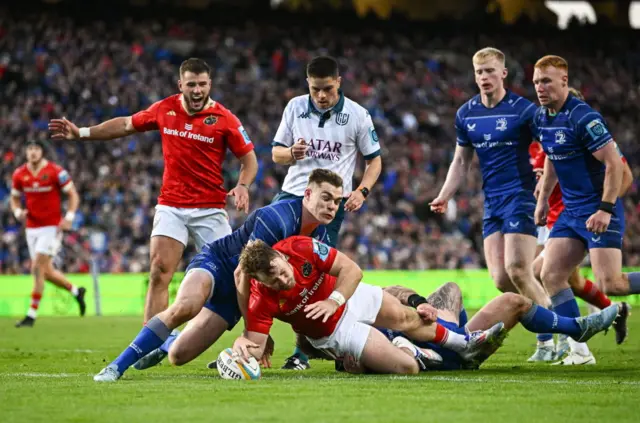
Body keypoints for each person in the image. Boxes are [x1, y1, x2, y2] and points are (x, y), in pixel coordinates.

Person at [48, 57, 258, 323]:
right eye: (191, 84)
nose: (197, 90)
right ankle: (150, 343)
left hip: (210, 210)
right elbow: (126, 124)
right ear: (180, 84)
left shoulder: (225, 119)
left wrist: (242, 185)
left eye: (202, 84)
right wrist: (83, 133)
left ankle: (248, 343)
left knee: (234, 277)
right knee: (159, 271)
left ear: (210, 85)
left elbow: (249, 159)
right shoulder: (165, 109)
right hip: (171, 205)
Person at [93, 169, 342, 382]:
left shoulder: (319, 235)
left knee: (178, 356)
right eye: (326, 198)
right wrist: (251, 329)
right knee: (186, 307)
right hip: (221, 263)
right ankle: (116, 366)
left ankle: (168, 341)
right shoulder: (277, 218)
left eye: (337, 202)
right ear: (308, 194)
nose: (331, 206)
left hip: (240, 292)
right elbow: (242, 271)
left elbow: (279, 283)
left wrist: (259, 332)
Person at [429, 47, 554, 361]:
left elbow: (551, 148)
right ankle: (553, 315)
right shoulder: (466, 114)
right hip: (492, 202)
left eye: (489, 71)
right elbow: (461, 161)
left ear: (503, 73)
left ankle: (551, 341)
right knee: (500, 278)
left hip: (521, 196)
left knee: (518, 270)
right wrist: (445, 195)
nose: (484, 77)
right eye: (479, 72)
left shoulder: (524, 110)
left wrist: (544, 184)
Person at [230, 236, 506, 375]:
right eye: (273, 279)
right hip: (335, 332)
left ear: (279, 254)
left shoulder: (300, 247)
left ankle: (463, 345)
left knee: (408, 318)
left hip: (347, 296)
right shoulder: (259, 300)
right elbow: (254, 346)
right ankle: (405, 350)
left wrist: (333, 299)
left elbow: (352, 271)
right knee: (405, 368)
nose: (283, 279)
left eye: (281, 270)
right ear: (258, 280)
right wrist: (241, 348)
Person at [271, 55, 382, 370]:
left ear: (339, 83)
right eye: (316, 89)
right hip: (291, 197)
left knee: (313, 279)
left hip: (328, 206)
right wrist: (291, 152)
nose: (321, 96)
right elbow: (276, 153)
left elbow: (374, 160)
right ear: (308, 83)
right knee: (264, 262)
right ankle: (254, 344)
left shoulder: (358, 116)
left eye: (328, 89)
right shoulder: (294, 107)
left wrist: (361, 191)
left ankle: (301, 354)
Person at [532, 55, 637, 365]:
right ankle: (579, 351)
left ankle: (580, 344)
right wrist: (542, 200)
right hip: (571, 213)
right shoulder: (543, 117)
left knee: (612, 284)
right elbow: (551, 157)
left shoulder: (584, 118)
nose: (540, 87)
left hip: (598, 209)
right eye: (537, 81)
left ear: (564, 81)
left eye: (547, 81)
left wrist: (605, 209)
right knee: (550, 274)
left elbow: (615, 165)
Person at [353, 282, 619, 373]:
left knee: (512, 300)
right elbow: (354, 361)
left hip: (447, 335)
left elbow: (394, 289)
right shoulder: (344, 327)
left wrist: (419, 302)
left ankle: (575, 328)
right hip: (424, 354)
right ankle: (459, 352)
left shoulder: (361, 293)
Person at [10, 140, 86, 327]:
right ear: (26, 152)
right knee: (46, 271)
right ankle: (76, 291)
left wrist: (69, 216)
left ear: (42, 152)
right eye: (30, 149)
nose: (33, 153)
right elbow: (14, 198)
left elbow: (73, 194)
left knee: (36, 267)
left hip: (52, 228)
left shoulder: (56, 172)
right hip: (31, 228)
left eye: (36, 149)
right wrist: (18, 212)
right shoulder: (19, 174)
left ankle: (31, 315)